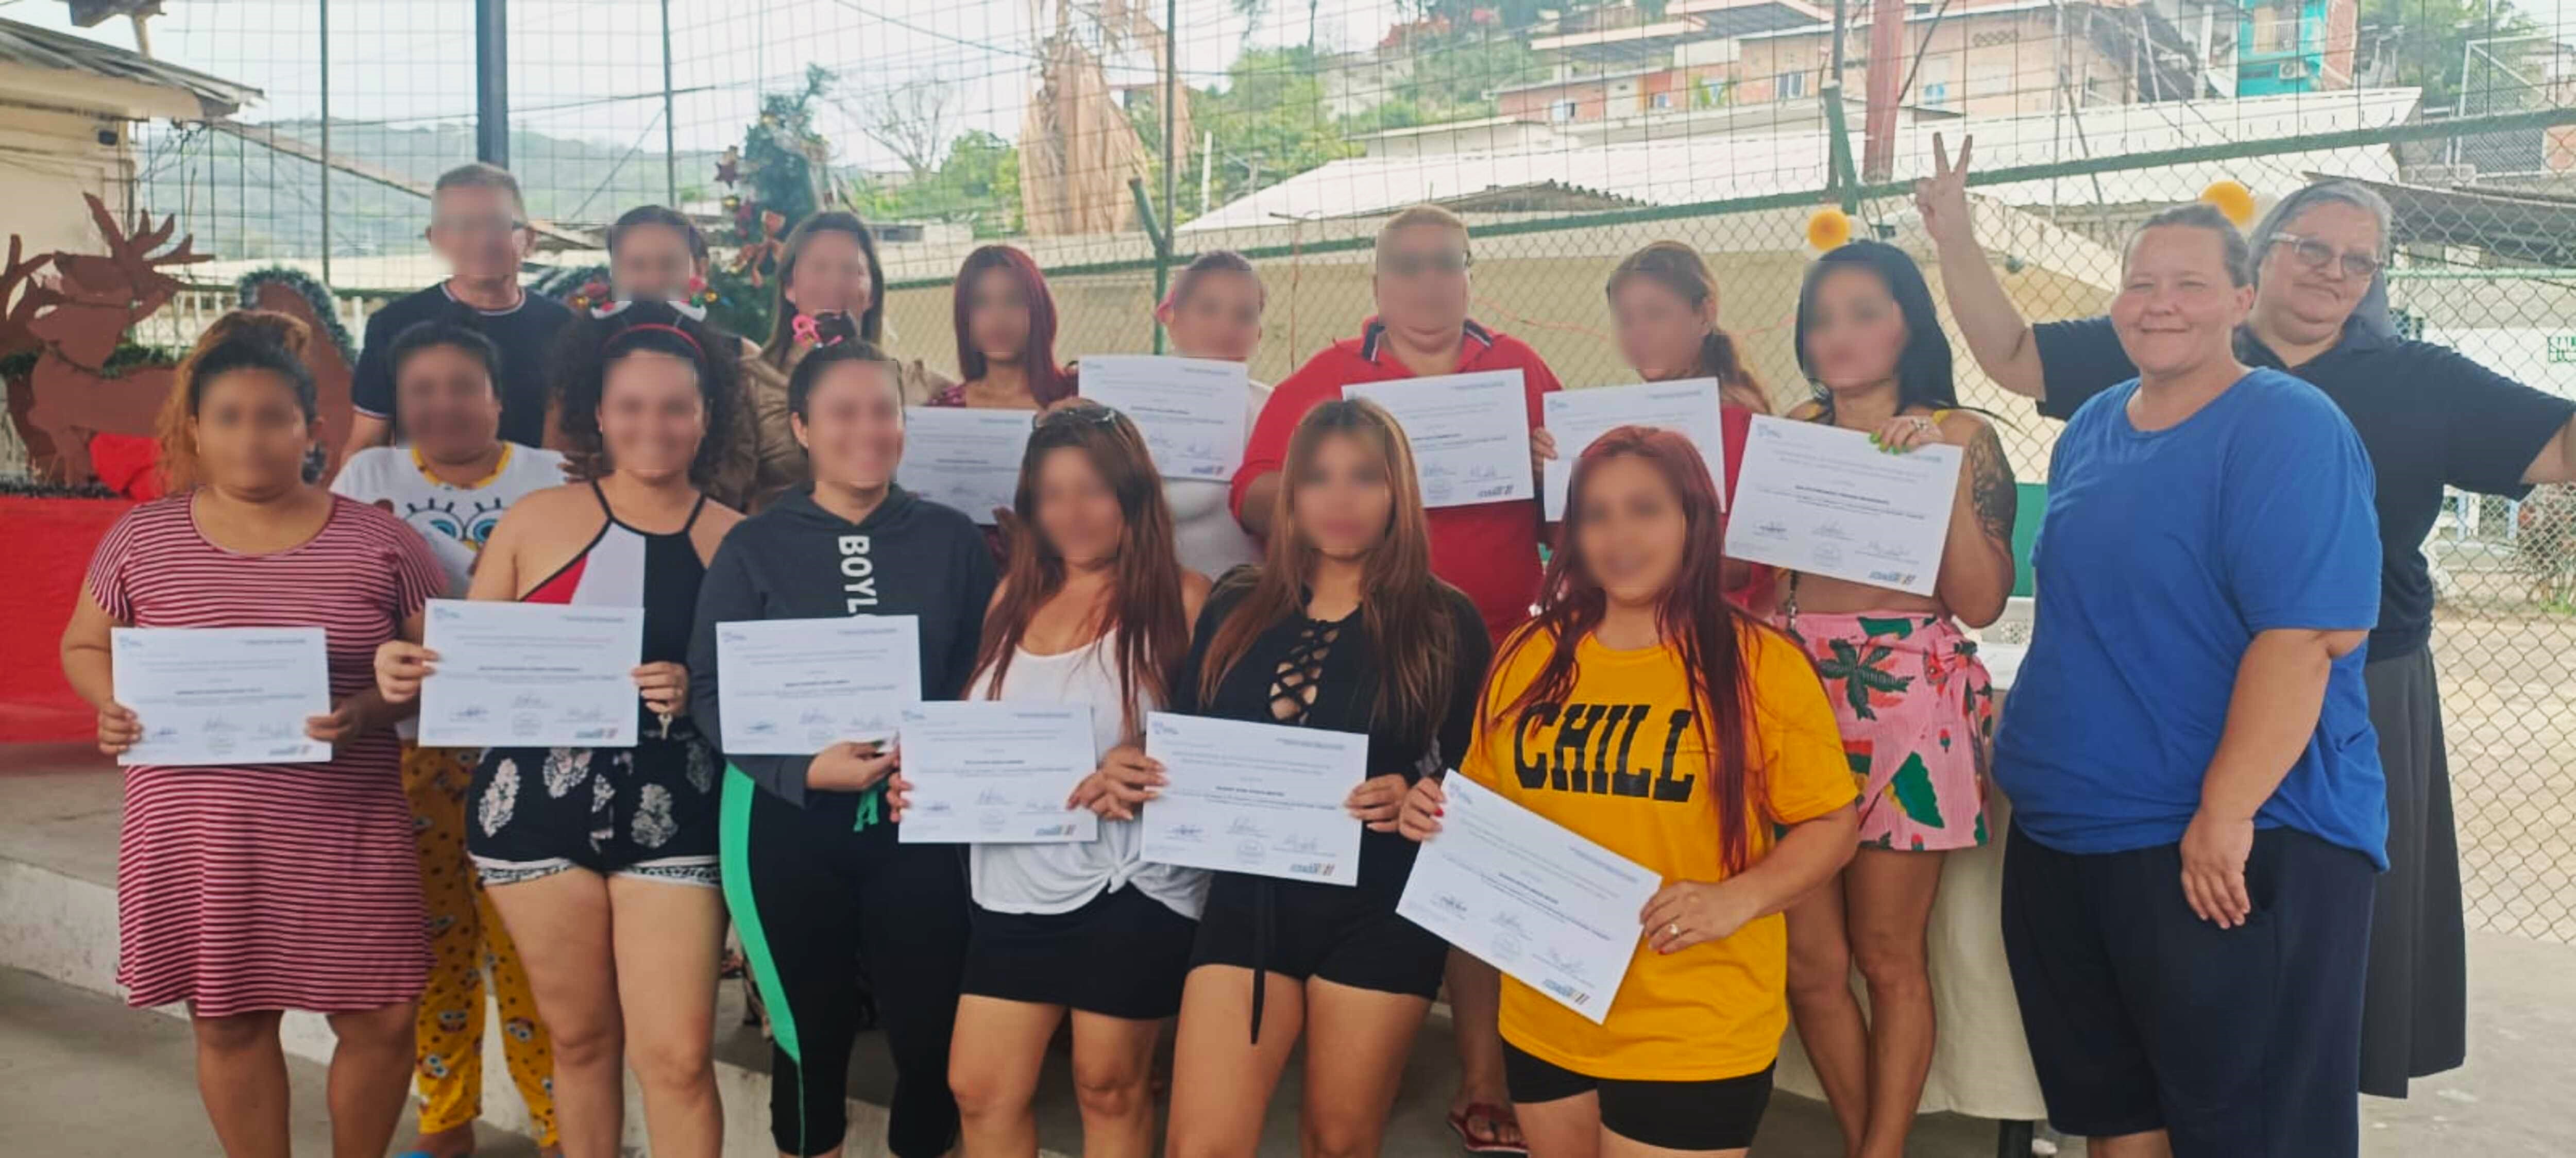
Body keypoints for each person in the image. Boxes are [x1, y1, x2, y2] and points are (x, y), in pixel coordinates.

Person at [1920, 136, 2576, 1099]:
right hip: (2151, 713)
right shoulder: (2159, 349)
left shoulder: (2417, 378)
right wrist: (1956, 237)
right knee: (2162, 1034)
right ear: (2257, 264)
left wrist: (2230, 804)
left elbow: (2557, 448)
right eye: (2313, 247)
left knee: (2303, 964)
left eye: (2360, 260)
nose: (2334, 272)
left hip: (2353, 673)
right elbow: (2014, 357)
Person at [1992, 204, 2384, 1157]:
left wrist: (2225, 810)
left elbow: (2303, 637)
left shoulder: (2287, 424)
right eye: (2140, 281)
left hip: (2225, 844)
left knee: (2246, 1128)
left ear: (2241, 300)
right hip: (2069, 834)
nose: (2158, 303)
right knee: (2116, 1112)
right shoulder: (2090, 426)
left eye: (2190, 282)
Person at [1398, 425, 1860, 1158]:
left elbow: (1833, 821)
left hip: (1693, 1020)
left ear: (1692, 521)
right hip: (1547, 1011)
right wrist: (1434, 808)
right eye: (1597, 513)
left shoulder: (1760, 663)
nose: (1619, 535)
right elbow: (1487, 807)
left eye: (1645, 508)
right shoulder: (1530, 653)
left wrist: (1739, 897)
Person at [62, 311, 446, 1158]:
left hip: (343, 820)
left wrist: (373, 708)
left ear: (312, 430)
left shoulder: (383, 541)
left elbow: (440, 660)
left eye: (274, 417)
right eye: (228, 417)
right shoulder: (142, 538)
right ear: (195, 428)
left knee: (382, 1015)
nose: (251, 437)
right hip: (199, 827)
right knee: (231, 1016)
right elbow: (85, 644)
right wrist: (110, 702)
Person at [373, 300, 742, 1158]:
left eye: (675, 405)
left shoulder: (738, 541)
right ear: (599, 414)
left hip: (675, 816)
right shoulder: (536, 519)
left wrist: (696, 686)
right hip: (531, 814)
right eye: (633, 405)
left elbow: (751, 696)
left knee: (679, 1058)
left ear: (705, 415)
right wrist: (407, 667)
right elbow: (471, 662)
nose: (654, 423)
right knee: (578, 1045)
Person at [1230, 206, 1560, 1151]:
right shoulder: (1328, 378)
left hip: (1494, 645)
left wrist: (1553, 470)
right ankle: (1334, 1021)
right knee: (1395, 834)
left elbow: (1571, 517)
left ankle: (1487, 1066)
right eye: (1405, 267)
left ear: (1469, 274)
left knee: (1478, 845)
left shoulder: (1522, 369)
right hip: (1366, 651)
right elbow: (1250, 491)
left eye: (1444, 265)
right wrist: (1322, 490)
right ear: (1376, 285)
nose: (1426, 283)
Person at [686, 339, 997, 1158]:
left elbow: (982, 676)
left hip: (918, 822)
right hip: (786, 819)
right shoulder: (754, 545)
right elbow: (711, 691)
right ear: (802, 426)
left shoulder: (951, 539)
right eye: (844, 412)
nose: (868, 429)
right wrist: (803, 769)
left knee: (929, 1034)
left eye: (884, 410)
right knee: (808, 1035)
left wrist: (949, 761)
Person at [1163, 398, 1493, 1158]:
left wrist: (1421, 796)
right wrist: (1138, 766)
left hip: (1379, 909)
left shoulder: (1445, 620)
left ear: (1397, 492)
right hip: (1249, 901)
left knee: (1340, 1142)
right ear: (1291, 494)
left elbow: (1475, 781)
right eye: (1316, 477)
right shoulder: (1236, 602)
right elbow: (1189, 744)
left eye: (1364, 477)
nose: (1339, 499)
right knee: (1199, 1144)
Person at [1760, 240, 2016, 1158]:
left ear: (1910, 321)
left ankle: (1879, 1148)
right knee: (1811, 961)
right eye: (1823, 317)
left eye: (1865, 311)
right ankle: (1875, 1138)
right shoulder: (1796, 425)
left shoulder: (1961, 432)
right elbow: (1766, 575)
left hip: (1909, 702)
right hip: (1794, 693)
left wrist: (1936, 479)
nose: (1839, 334)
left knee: (1886, 951)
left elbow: (1983, 601)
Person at [910, 404, 1211, 1158]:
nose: (1072, 512)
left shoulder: (1185, 597)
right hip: (1013, 878)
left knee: (1108, 1083)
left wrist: (1143, 750)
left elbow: (1219, 744)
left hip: (1129, 881)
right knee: (979, 1086)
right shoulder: (1010, 595)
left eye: (1093, 489)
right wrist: (927, 780)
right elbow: (982, 733)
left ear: (1133, 493)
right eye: (1051, 493)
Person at [327, 321, 565, 1158]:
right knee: (436, 945)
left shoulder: (551, 477)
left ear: (500, 397)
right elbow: (340, 598)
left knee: (536, 946)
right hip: (411, 746)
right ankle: (445, 1122)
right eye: (422, 389)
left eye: (465, 386)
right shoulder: (367, 477)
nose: (444, 405)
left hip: (528, 746)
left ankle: (559, 1126)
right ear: (397, 403)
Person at [1535, 241, 1776, 615]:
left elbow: (1749, 565)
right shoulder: (1624, 423)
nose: (1639, 332)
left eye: (1656, 314)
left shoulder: (1735, 421)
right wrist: (1550, 476)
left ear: (1705, 315)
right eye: (1626, 319)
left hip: (1704, 628)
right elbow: (1575, 539)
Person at [343, 163, 573, 464]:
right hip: (422, 502)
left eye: (497, 225)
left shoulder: (564, 327)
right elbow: (367, 443)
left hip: (534, 499)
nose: (482, 240)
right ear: (436, 239)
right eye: (462, 226)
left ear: (528, 240)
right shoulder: (394, 324)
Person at [733, 211, 956, 511]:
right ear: (789, 286)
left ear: (873, 292)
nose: (835, 283)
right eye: (819, 268)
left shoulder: (917, 384)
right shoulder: (749, 384)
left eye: (852, 270)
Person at [1154, 250, 1273, 575]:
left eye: (1244, 315)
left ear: (1258, 335)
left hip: (1245, 608)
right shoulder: (1125, 401)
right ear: (1173, 320)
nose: (1226, 327)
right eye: (1208, 309)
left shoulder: (1275, 409)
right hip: (1143, 603)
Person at [930, 243, 1078, 411]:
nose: (998, 317)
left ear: (1040, 308)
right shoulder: (946, 410)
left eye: (1014, 300)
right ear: (963, 316)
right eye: (980, 303)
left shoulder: (1083, 396)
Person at [605, 204, 713, 304]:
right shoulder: (594, 323)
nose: (653, 282)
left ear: (701, 268)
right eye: (636, 266)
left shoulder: (723, 322)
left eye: (669, 265)